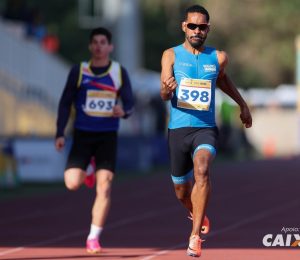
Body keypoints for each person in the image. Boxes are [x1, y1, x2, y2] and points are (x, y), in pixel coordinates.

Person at [160, 5, 252, 258]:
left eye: (202, 27)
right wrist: (167, 90)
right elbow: (163, 92)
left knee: (202, 169)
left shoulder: (218, 57)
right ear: (184, 27)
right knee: (181, 190)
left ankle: (194, 237)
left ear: (208, 29)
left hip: (205, 129)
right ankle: (196, 211)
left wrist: (242, 104)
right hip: (178, 130)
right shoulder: (171, 55)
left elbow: (223, 79)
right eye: (192, 26)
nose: (197, 31)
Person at [55, 27, 134, 254]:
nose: (99, 46)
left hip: (107, 135)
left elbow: (129, 102)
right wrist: (60, 132)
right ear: (91, 46)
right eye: (95, 42)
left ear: (110, 47)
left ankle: (93, 237)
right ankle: (88, 171)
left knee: (105, 186)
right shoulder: (79, 71)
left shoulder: (119, 72)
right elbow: (64, 102)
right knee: (71, 182)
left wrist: (124, 110)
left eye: (103, 42)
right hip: (83, 134)